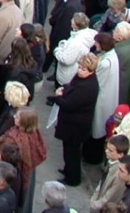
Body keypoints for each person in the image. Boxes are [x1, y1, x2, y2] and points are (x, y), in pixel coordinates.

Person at [52, 52, 99, 187]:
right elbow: (71, 87)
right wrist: (64, 89)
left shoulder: (87, 87)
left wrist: (57, 97)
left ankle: (72, 178)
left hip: (76, 126)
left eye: (83, 69)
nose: (79, 70)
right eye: (79, 67)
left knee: (72, 152)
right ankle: (68, 170)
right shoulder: (84, 80)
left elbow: (70, 104)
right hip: (72, 123)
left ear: (91, 70)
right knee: (69, 150)